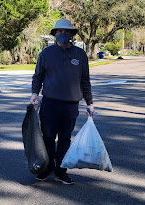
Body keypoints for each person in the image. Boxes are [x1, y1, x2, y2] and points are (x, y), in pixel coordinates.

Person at [30, 19, 94, 185]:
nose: (63, 34)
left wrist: (90, 102)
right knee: (48, 138)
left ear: (72, 34)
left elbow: (85, 80)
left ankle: (61, 171)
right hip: (50, 103)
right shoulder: (46, 54)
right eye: (59, 31)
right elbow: (38, 76)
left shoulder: (80, 55)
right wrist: (34, 93)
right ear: (54, 34)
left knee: (65, 139)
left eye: (66, 32)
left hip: (70, 105)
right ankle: (48, 167)